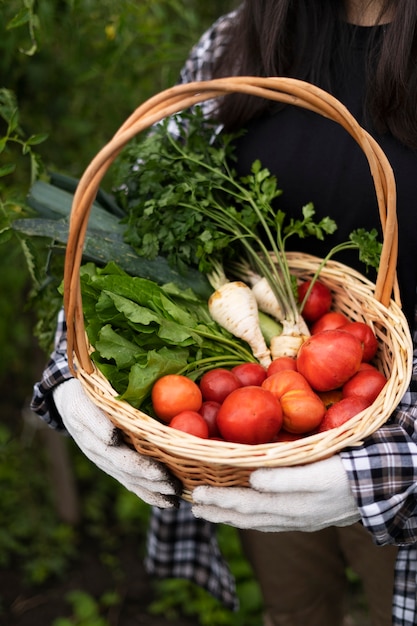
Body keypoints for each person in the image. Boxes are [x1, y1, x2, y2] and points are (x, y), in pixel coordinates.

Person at [31, 1, 417, 625]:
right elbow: (128, 226)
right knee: (294, 608)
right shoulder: (241, 39)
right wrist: (74, 372)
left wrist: (398, 467)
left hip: (385, 414)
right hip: (252, 451)